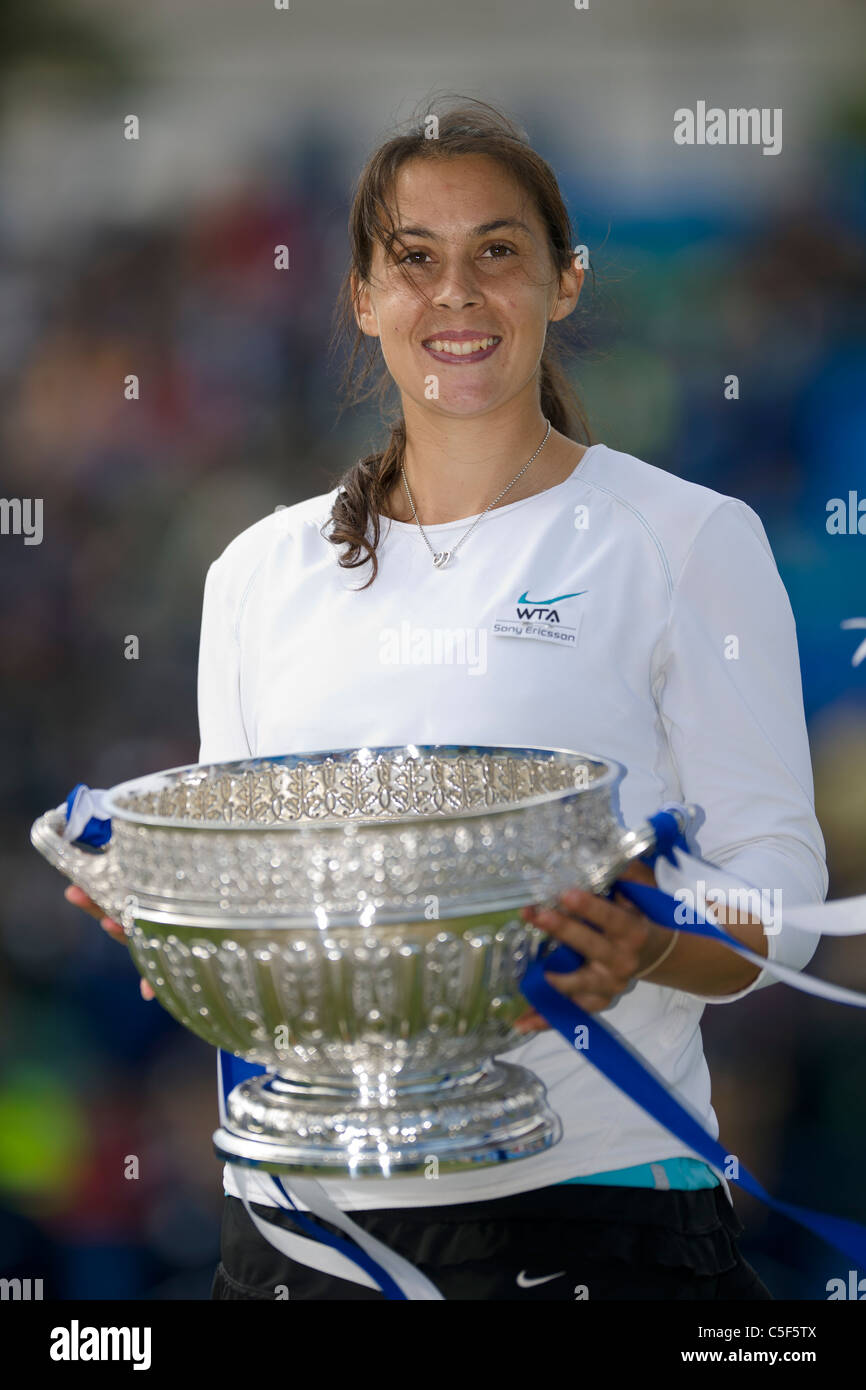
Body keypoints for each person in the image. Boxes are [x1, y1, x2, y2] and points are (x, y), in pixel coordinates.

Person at [67, 98, 827, 1300]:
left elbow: (780, 897)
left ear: (564, 282)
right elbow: (260, 907)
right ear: (364, 298)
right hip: (297, 1232)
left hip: (592, 1208)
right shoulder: (257, 570)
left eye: (497, 252)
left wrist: (653, 942)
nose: (454, 294)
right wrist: (181, 920)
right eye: (412, 261)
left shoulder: (685, 539)